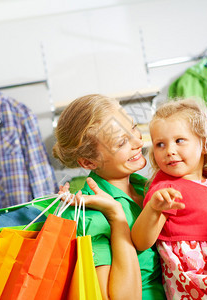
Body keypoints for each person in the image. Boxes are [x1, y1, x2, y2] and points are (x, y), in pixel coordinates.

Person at [131, 98, 207, 299]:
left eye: (179, 141)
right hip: (192, 277)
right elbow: (141, 241)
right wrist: (154, 209)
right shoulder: (166, 190)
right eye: (160, 144)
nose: (169, 150)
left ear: (205, 144)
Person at [52, 94, 166, 299]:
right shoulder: (88, 216)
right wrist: (116, 216)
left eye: (133, 127)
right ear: (88, 162)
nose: (137, 141)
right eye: (121, 142)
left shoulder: (145, 188)